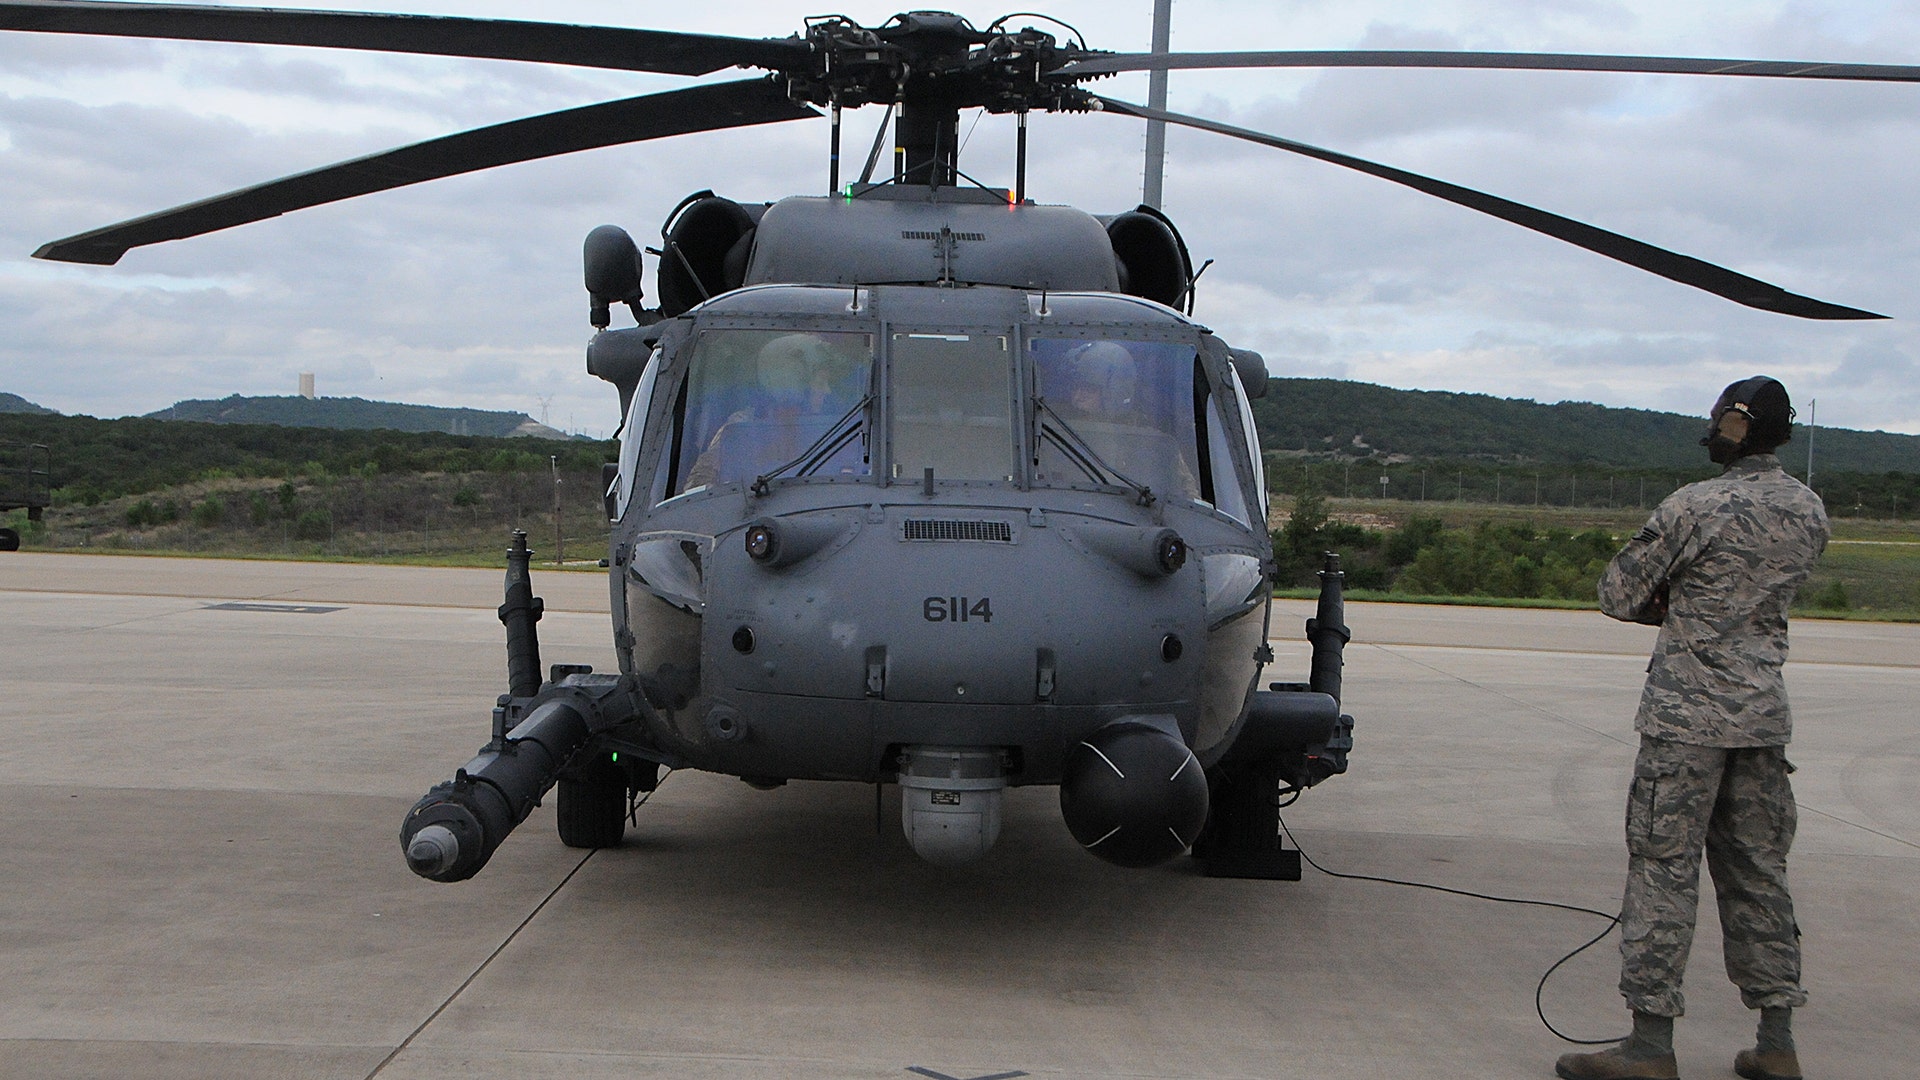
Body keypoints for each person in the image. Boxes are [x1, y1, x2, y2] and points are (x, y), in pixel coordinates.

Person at [1556, 377, 1829, 1080]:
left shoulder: (1697, 504)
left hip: (1687, 720)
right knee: (1760, 874)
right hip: (1762, 718)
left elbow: (1618, 593)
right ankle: (1776, 1040)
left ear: (1736, 426)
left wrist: (1676, 610)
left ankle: (1650, 1045)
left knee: (1662, 873)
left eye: (1718, 420)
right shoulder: (1807, 508)